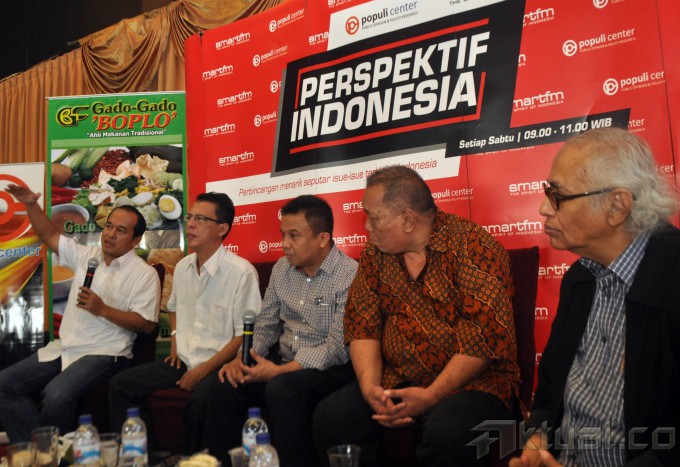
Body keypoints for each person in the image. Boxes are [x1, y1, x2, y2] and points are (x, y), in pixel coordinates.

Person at [314, 165, 520, 467]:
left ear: (408, 219)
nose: (367, 226)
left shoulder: (473, 246)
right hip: (397, 378)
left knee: (447, 432)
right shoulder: (374, 255)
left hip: (476, 383)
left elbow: (482, 340)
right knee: (332, 416)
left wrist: (431, 395)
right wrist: (371, 389)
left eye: (374, 217)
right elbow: (362, 325)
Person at [509, 128, 680, 467]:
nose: (543, 208)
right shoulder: (580, 278)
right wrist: (537, 442)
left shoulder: (672, 278)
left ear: (617, 206)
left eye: (557, 195)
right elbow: (550, 389)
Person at [197, 195, 357, 467]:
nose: (284, 244)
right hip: (282, 361)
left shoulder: (349, 274)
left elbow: (337, 346)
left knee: (282, 389)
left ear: (322, 238)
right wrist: (243, 358)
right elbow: (265, 325)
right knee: (224, 383)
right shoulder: (282, 268)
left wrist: (279, 372)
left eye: (294, 235)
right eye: (283, 234)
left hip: (329, 369)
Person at [0, 184, 160, 442]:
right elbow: (48, 235)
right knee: (4, 385)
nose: (110, 234)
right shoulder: (87, 255)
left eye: (120, 231)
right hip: (65, 347)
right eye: (109, 226)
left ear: (135, 240)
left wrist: (103, 310)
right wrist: (30, 204)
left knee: (56, 395)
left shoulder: (144, 274)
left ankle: (50, 453)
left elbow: (147, 325)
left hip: (105, 353)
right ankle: (40, 450)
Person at [108, 192, 262, 445]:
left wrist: (202, 371)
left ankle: (199, 460)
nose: (190, 224)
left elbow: (243, 337)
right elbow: (174, 308)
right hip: (184, 359)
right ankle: (142, 455)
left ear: (222, 229)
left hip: (220, 365)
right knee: (121, 385)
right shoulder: (183, 267)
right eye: (190, 217)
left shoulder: (241, 272)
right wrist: (176, 340)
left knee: (201, 402)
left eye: (201, 219)